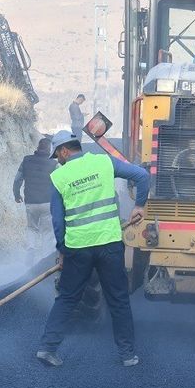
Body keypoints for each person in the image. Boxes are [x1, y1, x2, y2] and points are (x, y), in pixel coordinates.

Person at [37, 131, 151, 367]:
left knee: (67, 298)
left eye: (57, 155)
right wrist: (139, 205)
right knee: (118, 300)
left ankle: (48, 348)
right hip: (109, 244)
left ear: (64, 150)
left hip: (78, 248)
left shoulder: (59, 177)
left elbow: (58, 220)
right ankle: (128, 355)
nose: (58, 160)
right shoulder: (103, 162)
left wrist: (62, 250)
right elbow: (141, 175)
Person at [13, 137, 58, 250]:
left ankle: (31, 248)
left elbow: (17, 179)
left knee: (32, 228)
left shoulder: (26, 160)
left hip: (31, 202)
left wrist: (16, 194)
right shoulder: (54, 164)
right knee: (47, 231)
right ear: (50, 150)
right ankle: (46, 253)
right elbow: (60, 184)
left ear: (38, 147)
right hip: (47, 203)